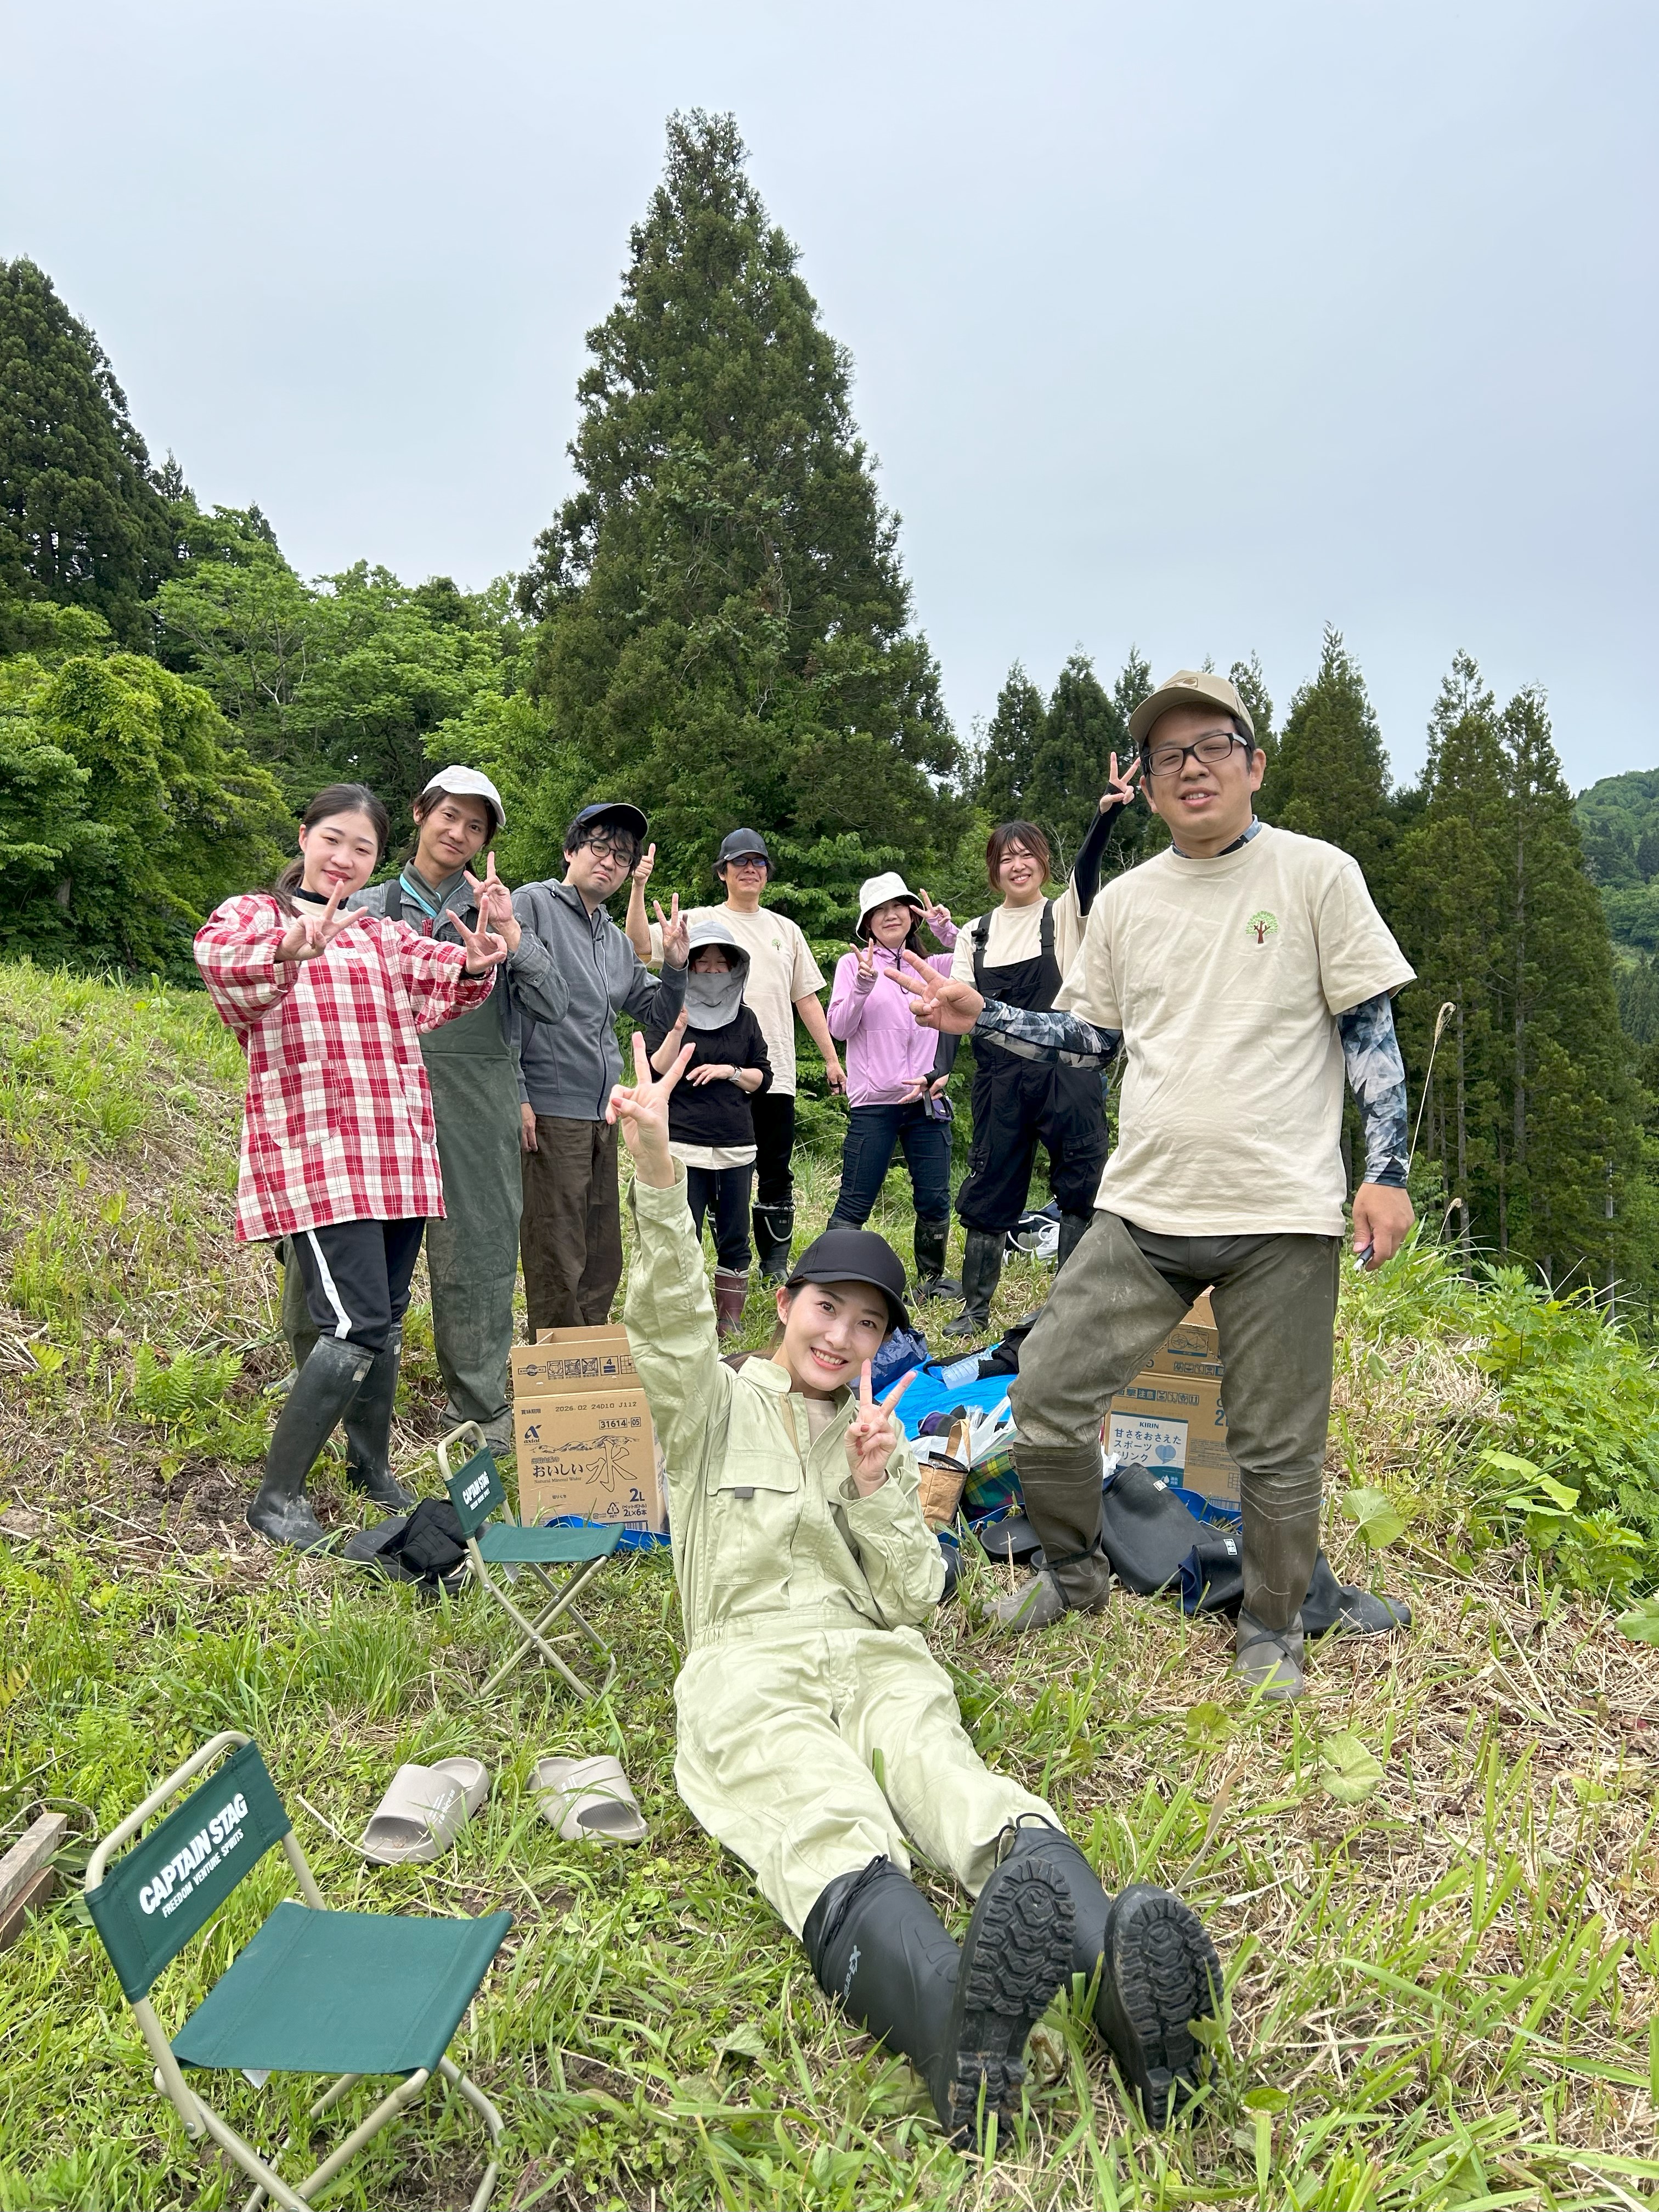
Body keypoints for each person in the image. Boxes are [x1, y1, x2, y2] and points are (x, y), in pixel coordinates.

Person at [610, 1034, 1222, 2146]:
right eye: (826, 1309)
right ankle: (952, 2028)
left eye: (867, 1323)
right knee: (825, 1815)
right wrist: (657, 1176)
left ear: (884, 1341)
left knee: (956, 1784)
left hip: (873, 1654)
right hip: (749, 1667)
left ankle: (1130, 2004)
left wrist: (870, 1492)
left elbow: (911, 1602)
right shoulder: (709, 1410)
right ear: (786, 1304)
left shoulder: (879, 1441)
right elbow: (662, 1320)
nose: (842, 1336)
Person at [893, 670, 1416, 1695]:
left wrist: (1385, 1171)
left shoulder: (1315, 874)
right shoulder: (1125, 901)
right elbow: (1089, 1041)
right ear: (1148, 777)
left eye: (1210, 746)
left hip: (1280, 1212)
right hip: (1144, 1208)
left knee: (1274, 1443)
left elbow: (1370, 1033)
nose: (1188, 768)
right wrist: (980, 1016)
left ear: (1251, 763)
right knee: (1045, 1395)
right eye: (1166, 754)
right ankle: (1077, 1575)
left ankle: (1270, 1627)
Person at [195, 782, 516, 1550]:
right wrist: (288, 947)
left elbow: (447, 979)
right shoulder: (256, 916)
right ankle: (276, 1498)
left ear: (377, 858)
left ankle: (369, 1468)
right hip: (319, 1157)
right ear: (305, 836)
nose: (344, 858)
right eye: (333, 839)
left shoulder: (377, 935)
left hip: (397, 1157)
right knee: (351, 1322)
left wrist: (479, 957)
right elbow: (218, 961)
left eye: (362, 849)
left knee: (383, 1323)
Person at [278, 766, 566, 1451]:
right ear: (418, 814)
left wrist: (509, 932)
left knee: (481, 1256)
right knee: (333, 1252)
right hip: (368, 1104)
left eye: (476, 827)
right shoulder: (362, 902)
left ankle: (478, 1408)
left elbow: (556, 1007)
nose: (458, 834)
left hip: (476, 1103)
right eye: (449, 817)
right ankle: (325, 1394)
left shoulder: (495, 911)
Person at [943, 766, 1137, 1339]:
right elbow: (957, 1010)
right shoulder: (973, 934)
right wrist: (937, 1069)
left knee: (1080, 1185)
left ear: (1044, 863)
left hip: (1067, 1073)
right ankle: (974, 1308)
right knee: (989, 1187)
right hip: (999, 1079)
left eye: (1027, 855)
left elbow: (1089, 868)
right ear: (994, 870)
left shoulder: (1066, 913)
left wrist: (1107, 815)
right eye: (1006, 858)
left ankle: (1067, 1309)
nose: (1018, 865)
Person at [628, 826, 845, 1283]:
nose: (750, 869)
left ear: (767, 873)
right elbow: (641, 946)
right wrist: (638, 885)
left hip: (770, 1070)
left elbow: (806, 998)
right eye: (740, 862)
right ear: (723, 872)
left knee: (774, 1169)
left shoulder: (786, 930)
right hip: (699, 1069)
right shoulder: (699, 919)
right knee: (711, 1169)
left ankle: (773, 1265)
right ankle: (715, 1258)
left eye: (759, 862)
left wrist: (830, 1058)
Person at [513, 802, 690, 1335]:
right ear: (571, 851)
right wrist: (518, 1091)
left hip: (604, 1113)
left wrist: (677, 964)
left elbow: (657, 1013)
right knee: (556, 1249)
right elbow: (506, 999)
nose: (610, 862)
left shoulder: (612, 939)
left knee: (601, 1249)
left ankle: (589, 1357)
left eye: (622, 856)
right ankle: (555, 1368)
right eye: (599, 848)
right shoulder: (533, 905)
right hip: (548, 1105)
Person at [825, 872, 961, 1301]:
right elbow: (839, 1028)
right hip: (874, 1103)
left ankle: (931, 1281)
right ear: (866, 923)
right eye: (879, 910)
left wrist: (948, 931)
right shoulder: (853, 965)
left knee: (936, 1198)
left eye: (897, 906)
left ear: (912, 915)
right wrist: (864, 986)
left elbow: (984, 962)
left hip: (926, 1098)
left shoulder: (935, 964)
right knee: (855, 1201)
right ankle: (829, 1276)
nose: (890, 915)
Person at [642, 917, 771, 1338]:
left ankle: (729, 1320)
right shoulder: (668, 1009)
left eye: (721, 962)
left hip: (736, 1143)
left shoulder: (746, 1020)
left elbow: (762, 1078)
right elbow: (655, 1070)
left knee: (735, 1233)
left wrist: (729, 1071)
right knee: (686, 1232)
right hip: (684, 1142)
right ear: (691, 967)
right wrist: (678, 1030)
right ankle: (687, 1315)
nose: (713, 969)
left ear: (734, 969)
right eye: (704, 962)